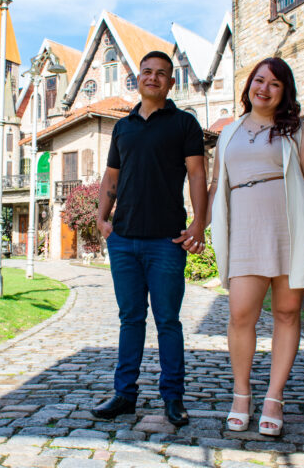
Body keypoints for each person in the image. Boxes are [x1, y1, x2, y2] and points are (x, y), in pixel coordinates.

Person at [207, 57, 304, 436]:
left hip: (289, 227)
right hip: (244, 227)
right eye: (259, 80)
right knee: (241, 313)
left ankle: (274, 397)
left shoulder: (299, 131)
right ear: (248, 86)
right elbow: (216, 185)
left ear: (284, 92)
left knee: (287, 312)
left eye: (274, 84)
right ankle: (241, 394)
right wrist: (201, 226)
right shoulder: (228, 132)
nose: (264, 88)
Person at [92, 50, 208, 426]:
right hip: (124, 240)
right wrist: (101, 218)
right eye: (147, 72)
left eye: (161, 73)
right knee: (130, 319)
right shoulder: (122, 127)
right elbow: (111, 177)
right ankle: (124, 394)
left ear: (171, 82)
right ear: (138, 78)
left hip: (166, 243)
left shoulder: (184, 124)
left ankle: (173, 397)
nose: (153, 78)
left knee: (168, 321)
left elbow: (197, 176)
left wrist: (198, 224)